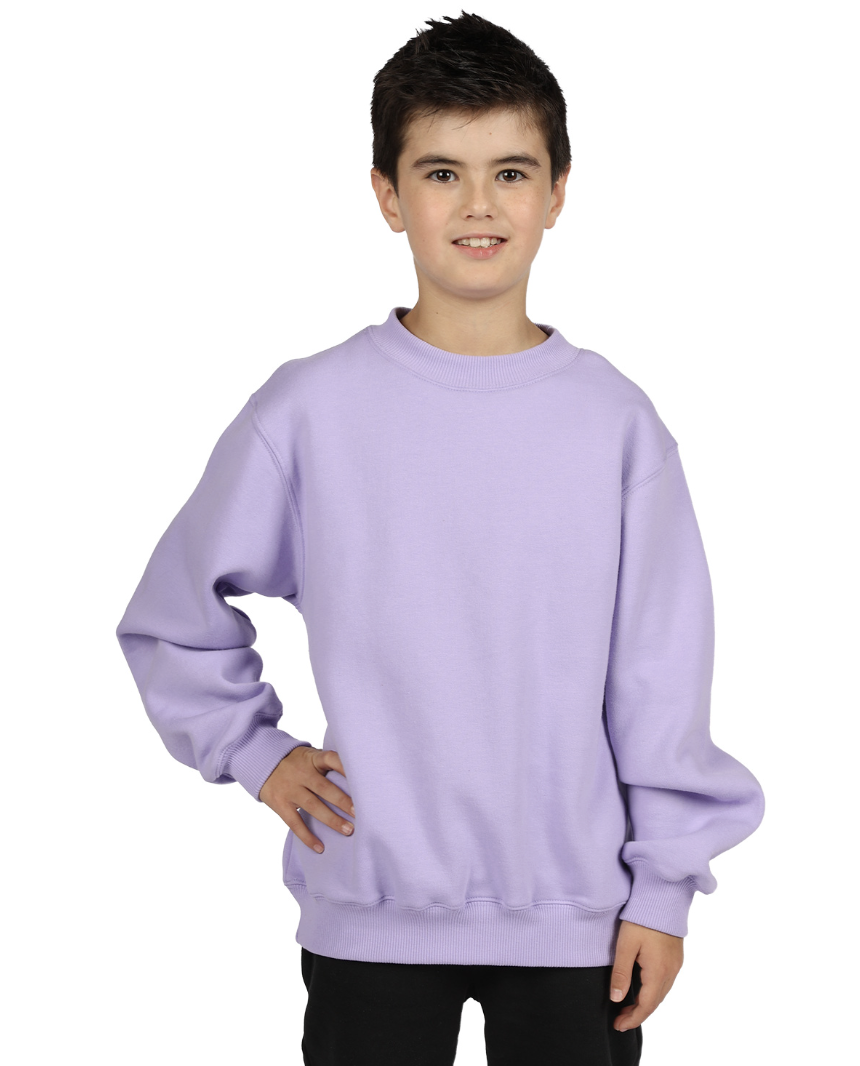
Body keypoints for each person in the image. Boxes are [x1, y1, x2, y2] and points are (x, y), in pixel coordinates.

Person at [116, 11, 766, 1065]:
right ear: (386, 195)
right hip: (369, 908)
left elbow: (659, 677)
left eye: (510, 172)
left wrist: (663, 888)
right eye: (440, 173)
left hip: (578, 917)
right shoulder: (309, 412)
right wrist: (258, 753)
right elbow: (173, 617)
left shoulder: (615, 424)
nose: (477, 205)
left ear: (557, 191)